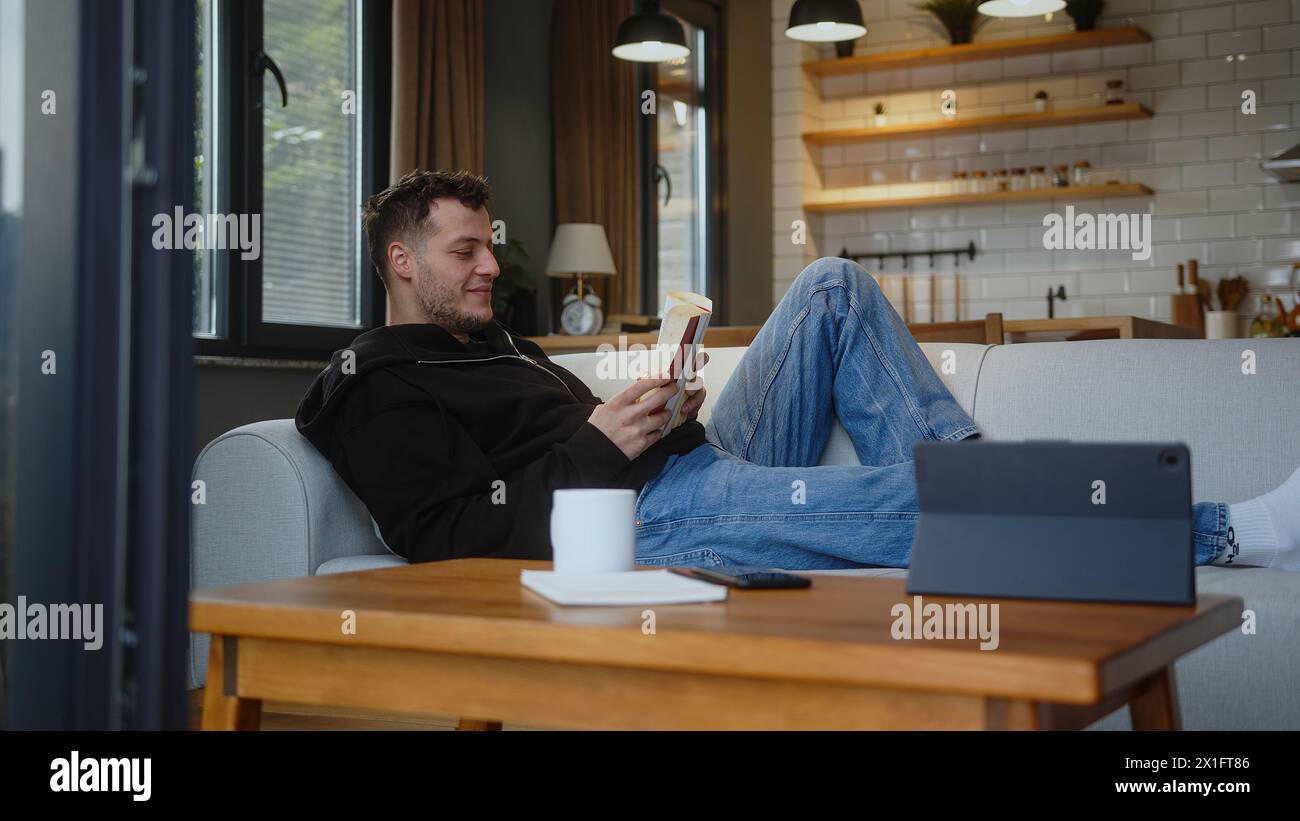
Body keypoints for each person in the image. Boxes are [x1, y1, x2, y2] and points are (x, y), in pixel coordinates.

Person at [295, 169, 1300, 573]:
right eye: (465, 251)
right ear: (400, 259)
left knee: (829, 284)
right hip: (650, 519)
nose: (488, 267)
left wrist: (641, 408)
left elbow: (548, 448)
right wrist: (597, 446)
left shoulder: (486, 346)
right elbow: (450, 537)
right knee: (926, 496)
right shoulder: (377, 384)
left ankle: (972, 494)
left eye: (485, 247)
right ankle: (1222, 533)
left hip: (684, 464)